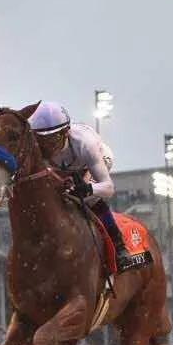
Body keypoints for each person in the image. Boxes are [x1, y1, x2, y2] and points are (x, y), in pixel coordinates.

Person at [27, 101, 135, 271]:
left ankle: (120, 247)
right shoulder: (37, 148)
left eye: (52, 139)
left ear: (66, 132)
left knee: (87, 198)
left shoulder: (85, 144)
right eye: (42, 140)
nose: (47, 146)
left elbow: (108, 188)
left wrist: (89, 189)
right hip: (66, 167)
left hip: (94, 160)